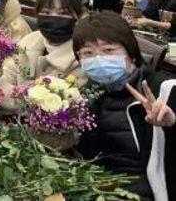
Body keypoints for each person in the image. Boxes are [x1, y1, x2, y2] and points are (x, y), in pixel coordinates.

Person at [74, 11, 175, 199]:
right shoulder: (86, 95)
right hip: (96, 184)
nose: (99, 59)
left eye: (109, 50)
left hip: (147, 189)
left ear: (132, 54)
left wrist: (171, 124)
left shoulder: (164, 90)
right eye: (88, 53)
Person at [0, 0, 87, 109]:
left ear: (77, 17)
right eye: (46, 12)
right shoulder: (29, 41)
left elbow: (67, 105)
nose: (53, 18)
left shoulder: (83, 54)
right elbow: (5, 81)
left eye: (62, 13)